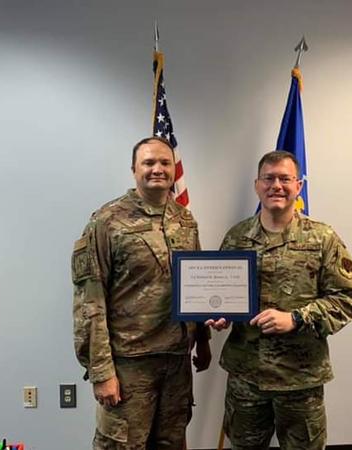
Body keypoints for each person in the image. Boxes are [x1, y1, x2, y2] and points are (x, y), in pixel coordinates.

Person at [206, 150, 352, 450]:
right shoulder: (236, 238)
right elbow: (222, 292)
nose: (276, 185)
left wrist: (296, 318)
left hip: (300, 379)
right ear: (257, 185)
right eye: (269, 178)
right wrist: (221, 314)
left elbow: (346, 299)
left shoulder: (322, 238)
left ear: (298, 186)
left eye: (285, 179)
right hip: (246, 377)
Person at [72, 136, 211, 450]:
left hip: (176, 361)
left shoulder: (184, 220)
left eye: (164, 162)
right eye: (148, 163)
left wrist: (202, 339)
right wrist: (101, 372)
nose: (157, 169)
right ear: (134, 169)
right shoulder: (107, 222)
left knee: (171, 442)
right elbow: (89, 302)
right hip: (129, 363)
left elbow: (197, 284)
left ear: (173, 170)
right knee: (122, 445)